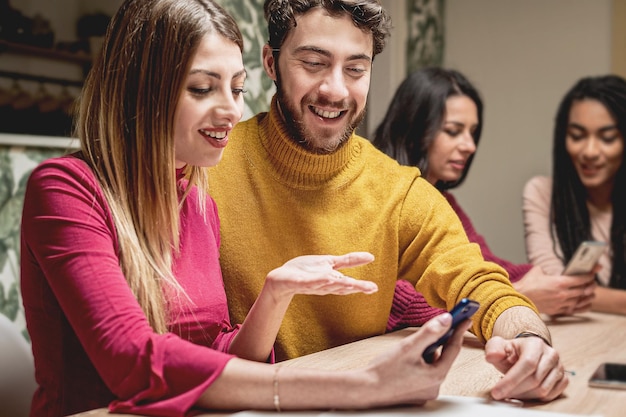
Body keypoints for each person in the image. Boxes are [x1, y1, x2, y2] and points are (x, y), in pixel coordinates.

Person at [18, 1, 487, 415]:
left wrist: (275, 294)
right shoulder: (65, 190)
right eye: (203, 89)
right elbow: (134, 363)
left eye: (237, 89)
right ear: (141, 90)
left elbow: (221, 354)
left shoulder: (198, 200)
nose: (231, 111)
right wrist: (354, 388)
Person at [207, 0, 568, 402]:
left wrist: (528, 338)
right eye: (313, 63)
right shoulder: (204, 170)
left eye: (356, 69)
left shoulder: (399, 190)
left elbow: (477, 280)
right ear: (271, 63)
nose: (335, 90)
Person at [374, 67, 597, 319]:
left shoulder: (444, 201)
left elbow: (483, 263)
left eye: (472, 132)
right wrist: (519, 293)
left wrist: (542, 280)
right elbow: (392, 300)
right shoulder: (377, 196)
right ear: (414, 129)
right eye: (453, 131)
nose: (469, 146)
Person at [523, 74, 626, 315]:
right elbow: (555, 291)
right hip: (575, 339)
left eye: (607, 138)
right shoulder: (542, 194)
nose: (590, 151)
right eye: (577, 136)